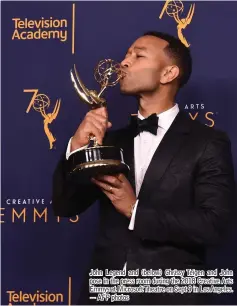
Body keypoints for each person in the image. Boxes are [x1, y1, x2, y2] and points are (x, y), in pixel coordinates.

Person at [52, 31, 236, 304]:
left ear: (168, 73)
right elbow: (65, 206)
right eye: (126, 54)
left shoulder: (208, 142)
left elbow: (214, 226)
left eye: (138, 55)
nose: (123, 62)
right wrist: (76, 148)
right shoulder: (111, 141)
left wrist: (135, 210)